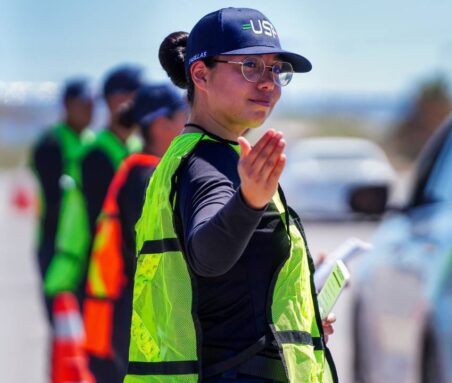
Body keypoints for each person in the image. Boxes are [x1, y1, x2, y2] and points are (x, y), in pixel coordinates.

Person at [125, 8, 338, 383]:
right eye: (250, 66)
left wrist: (299, 314)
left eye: (275, 69)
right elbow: (208, 256)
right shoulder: (206, 164)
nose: (268, 82)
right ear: (200, 74)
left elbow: (221, 295)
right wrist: (249, 201)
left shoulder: (193, 155)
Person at [82, 83, 188, 383]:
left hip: (130, 311)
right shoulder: (148, 179)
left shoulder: (136, 169)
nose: (187, 122)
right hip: (139, 316)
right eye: (183, 114)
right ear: (160, 123)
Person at [43, 65, 144, 304]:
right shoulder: (94, 155)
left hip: (124, 270)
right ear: (118, 99)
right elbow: (96, 222)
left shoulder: (136, 148)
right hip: (96, 271)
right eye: (139, 94)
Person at [30, 78, 95, 325]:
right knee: (62, 323)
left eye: (91, 103)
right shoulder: (50, 143)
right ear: (67, 105)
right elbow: (51, 197)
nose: (88, 108)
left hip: (86, 243)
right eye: (82, 103)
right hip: (55, 242)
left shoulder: (93, 141)